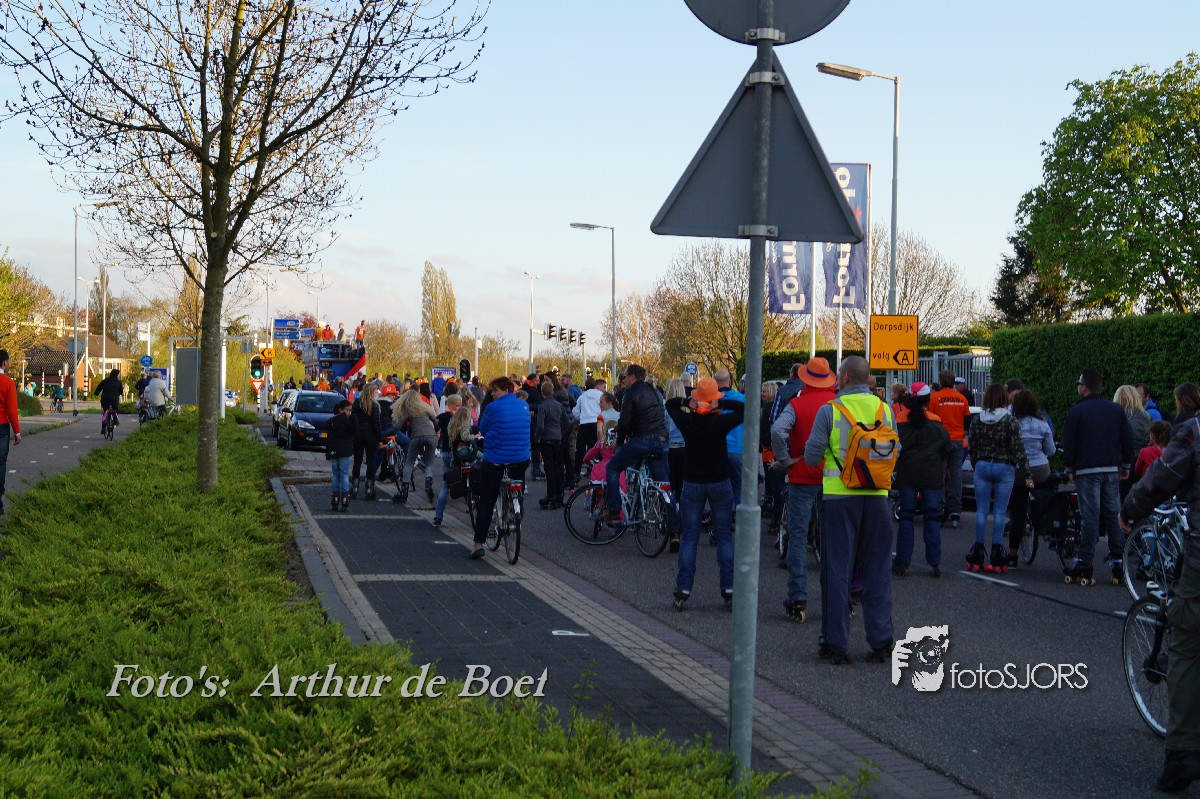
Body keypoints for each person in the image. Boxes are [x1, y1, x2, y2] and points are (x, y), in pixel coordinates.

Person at [1118, 413, 1200, 793]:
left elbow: (1159, 479)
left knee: (1186, 645)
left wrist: (1129, 510)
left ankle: (1182, 752)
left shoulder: (1194, 431)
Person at [803, 356, 895, 664]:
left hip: (839, 499)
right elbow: (896, 450)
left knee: (837, 571)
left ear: (843, 378)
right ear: (867, 378)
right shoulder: (885, 410)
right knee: (877, 570)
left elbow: (812, 457)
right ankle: (881, 642)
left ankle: (836, 643)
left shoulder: (830, 410)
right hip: (878, 497)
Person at [665, 377, 745, 610]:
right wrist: (722, 405)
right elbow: (746, 410)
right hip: (719, 480)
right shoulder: (720, 422)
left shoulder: (687, 421)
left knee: (690, 536)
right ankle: (728, 588)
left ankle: (683, 588)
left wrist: (685, 402)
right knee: (724, 536)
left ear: (697, 399)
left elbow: (670, 405)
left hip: (692, 481)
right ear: (715, 400)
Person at [770, 356, 839, 621]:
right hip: (833, 477)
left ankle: (797, 598)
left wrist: (785, 460)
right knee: (834, 538)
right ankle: (838, 598)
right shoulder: (838, 405)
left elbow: (777, 431)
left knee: (798, 537)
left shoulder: (796, 404)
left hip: (801, 475)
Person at [1062, 369, 1137, 585]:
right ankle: (1118, 562)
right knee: (1114, 515)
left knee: (1090, 517)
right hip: (1111, 469)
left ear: (1084, 387)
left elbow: (1070, 442)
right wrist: (1125, 465)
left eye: (1079, 384)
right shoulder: (1115, 410)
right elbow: (1128, 439)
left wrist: (1070, 467)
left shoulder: (1077, 411)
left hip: (1087, 471)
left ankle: (1084, 560)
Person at [965, 384, 1031, 573]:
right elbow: (1018, 448)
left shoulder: (978, 420)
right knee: (1000, 511)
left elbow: (972, 446)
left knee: (981, 510)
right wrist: (1027, 474)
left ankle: (978, 550)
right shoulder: (1010, 421)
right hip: (1005, 467)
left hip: (983, 465)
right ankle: (996, 552)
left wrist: (977, 463)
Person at [891, 382, 951, 577]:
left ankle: (903, 562)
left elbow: (895, 446)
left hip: (908, 472)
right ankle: (935, 561)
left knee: (906, 516)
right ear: (928, 400)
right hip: (931, 473)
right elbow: (946, 447)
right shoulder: (936, 421)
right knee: (931, 516)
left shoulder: (901, 419)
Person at [469, 377, 531, 560]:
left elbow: (483, 429)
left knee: (486, 501)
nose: (493, 394)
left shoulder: (492, 408)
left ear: (505, 390)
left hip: (496, 459)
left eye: (495, 390)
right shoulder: (524, 405)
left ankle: (478, 544)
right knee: (518, 484)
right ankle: (516, 510)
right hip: (521, 458)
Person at [604, 364, 668, 524]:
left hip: (642, 440)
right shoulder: (655, 391)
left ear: (632, 377)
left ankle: (614, 511)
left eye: (625, 376)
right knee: (663, 484)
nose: (623, 380)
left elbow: (624, 421)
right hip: (660, 441)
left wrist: (619, 442)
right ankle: (673, 528)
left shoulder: (631, 392)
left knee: (612, 468)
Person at [1006, 389, 1056, 567]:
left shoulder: (1012, 423)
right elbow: (1051, 450)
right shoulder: (1042, 424)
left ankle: (1013, 554)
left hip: (1019, 471)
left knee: (1018, 512)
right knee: (1048, 495)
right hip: (1041, 471)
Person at [929, 370, 971, 528]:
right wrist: (961, 433)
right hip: (958, 441)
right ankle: (955, 510)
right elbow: (967, 421)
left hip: (941, 441)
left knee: (939, 476)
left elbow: (930, 420)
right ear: (953, 382)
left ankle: (939, 508)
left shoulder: (935, 398)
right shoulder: (961, 398)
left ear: (940, 382)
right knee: (956, 476)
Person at [393, 387, 439, 504]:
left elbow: (397, 426)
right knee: (429, 462)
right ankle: (428, 484)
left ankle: (404, 491)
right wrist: (435, 431)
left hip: (416, 436)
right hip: (431, 436)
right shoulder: (426, 407)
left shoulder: (408, 410)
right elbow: (436, 422)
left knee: (409, 462)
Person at [713, 369, 746, 506]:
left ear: (714, 382)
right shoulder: (743, 399)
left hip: (718, 451)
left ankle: (722, 513)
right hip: (739, 449)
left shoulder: (711, 402)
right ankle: (736, 513)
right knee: (738, 487)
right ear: (730, 381)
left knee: (719, 488)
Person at [432, 394, 465, 527]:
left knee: (446, 484)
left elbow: (435, 426)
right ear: (450, 405)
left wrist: (438, 435)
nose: (459, 408)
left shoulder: (442, 417)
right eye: (457, 406)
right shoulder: (460, 417)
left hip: (446, 452)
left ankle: (438, 516)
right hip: (457, 452)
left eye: (460, 406)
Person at [535, 380, 568, 509]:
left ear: (542, 392)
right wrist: (561, 433)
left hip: (546, 438)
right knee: (558, 466)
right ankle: (559, 494)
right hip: (557, 438)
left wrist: (538, 437)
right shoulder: (559, 405)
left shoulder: (542, 406)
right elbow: (566, 421)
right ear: (553, 391)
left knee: (549, 468)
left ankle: (551, 494)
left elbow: (540, 426)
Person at [350, 383, 383, 502]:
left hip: (358, 435)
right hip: (370, 436)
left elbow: (352, 419)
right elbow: (376, 424)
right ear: (372, 392)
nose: (377, 393)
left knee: (357, 461)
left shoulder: (357, 403)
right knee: (370, 461)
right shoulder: (374, 405)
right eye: (376, 391)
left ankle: (354, 486)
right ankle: (369, 487)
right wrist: (380, 438)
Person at [0, 351, 22, 516]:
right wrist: (17, 432)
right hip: (1, 427)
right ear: (5, 363)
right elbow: (12, 410)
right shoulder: (8, 382)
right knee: (1, 463)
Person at [326, 399, 356, 512]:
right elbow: (354, 431)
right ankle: (344, 499)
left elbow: (329, 437)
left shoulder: (332, 421)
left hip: (334, 451)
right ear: (341, 410)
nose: (349, 412)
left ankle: (335, 498)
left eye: (350, 410)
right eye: (347, 410)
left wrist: (329, 452)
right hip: (344, 451)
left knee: (335, 475)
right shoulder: (348, 421)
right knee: (343, 475)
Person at [573, 378, 604, 483]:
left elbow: (575, 411)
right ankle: (593, 470)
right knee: (596, 448)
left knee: (580, 449)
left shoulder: (582, 396)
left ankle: (576, 473)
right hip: (597, 423)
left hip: (584, 423)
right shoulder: (601, 396)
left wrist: (581, 417)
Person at [93, 368, 124, 433]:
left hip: (105, 399)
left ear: (110, 373)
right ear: (117, 375)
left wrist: (96, 394)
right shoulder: (118, 382)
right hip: (114, 399)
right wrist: (119, 394)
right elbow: (121, 391)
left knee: (105, 412)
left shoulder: (105, 381)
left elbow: (99, 388)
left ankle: (103, 428)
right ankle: (115, 421)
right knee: (115, 410)